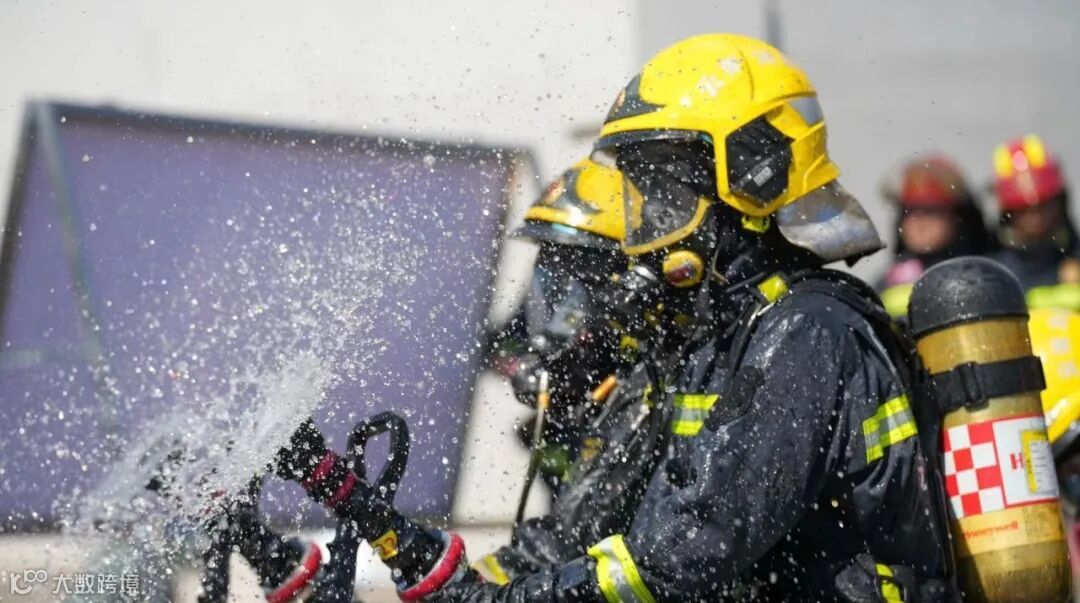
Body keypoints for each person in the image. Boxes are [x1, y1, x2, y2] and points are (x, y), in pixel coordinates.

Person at [278, 33, 955, 602]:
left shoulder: (805, 332)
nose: (646, 232)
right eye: (644, 199)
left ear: (753, 175)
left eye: (667, 196)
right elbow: (635, 542)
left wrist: (502, 599)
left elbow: (685, 554)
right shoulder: (728, 339)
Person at [488, 158, 630, 494]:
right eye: (551, 261)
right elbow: (503, 343)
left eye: (579, 267)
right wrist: (526, 363)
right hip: (564, 441)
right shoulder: (547, 299)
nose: (565, 291)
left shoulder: (644, 386)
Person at [877, 155, 993, 318]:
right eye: (910, 211)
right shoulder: (885, 284)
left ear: (959, 218)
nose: (918, 223)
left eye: (931, 211)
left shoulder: (988, 277)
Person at [990, 135, 1080, 310]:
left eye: (1044, 205)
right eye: (1023, 209)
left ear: (1060, 202)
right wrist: (1056, 278)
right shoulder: (996, 273)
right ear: (1008, 213)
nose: (1036, 217)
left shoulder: (1075, 253)